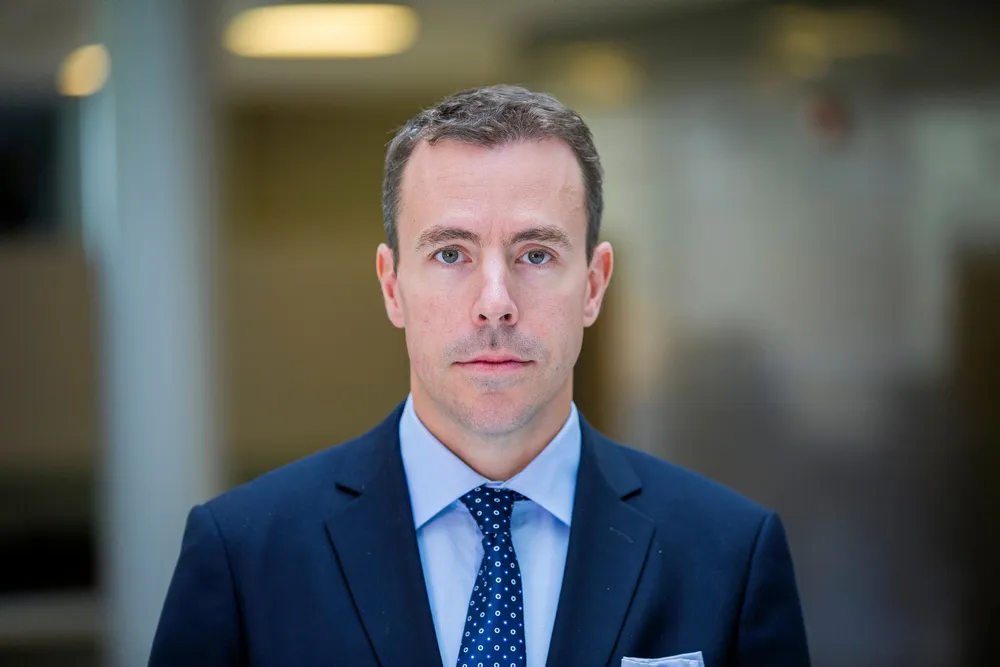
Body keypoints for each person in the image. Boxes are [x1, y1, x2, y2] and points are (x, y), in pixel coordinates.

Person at [149, 85, 810, 667]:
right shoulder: (244, 555)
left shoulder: (730, 554)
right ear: (391, 285)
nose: (496, 301)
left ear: (594, 284)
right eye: (450, 253)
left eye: (536, 253)